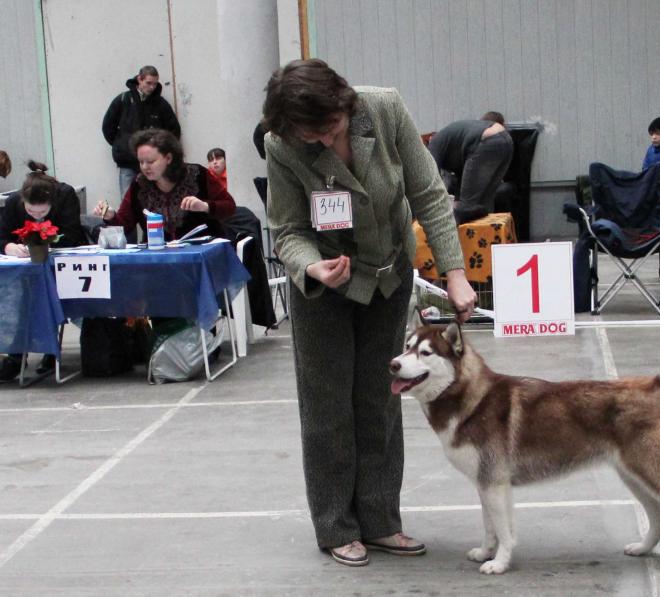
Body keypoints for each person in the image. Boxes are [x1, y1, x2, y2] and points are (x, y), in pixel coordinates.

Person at [263, 58, 476, 567]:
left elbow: (428, 195)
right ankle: (336, 525)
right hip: (323, 288)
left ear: (344, 102)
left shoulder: (384, 109)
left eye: (330, 127)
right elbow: (288, 229)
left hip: (387, 275)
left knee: (381, 399)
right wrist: (312, 267)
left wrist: (455, 272)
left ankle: (381, 521)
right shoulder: (281, 145)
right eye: (310, 134)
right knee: (327, 407)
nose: (322, 139)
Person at [0, 160, 86, 382]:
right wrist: (8, 246)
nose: (37, 216)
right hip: (26, 269)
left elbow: (72, 235)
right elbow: (2, 236)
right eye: (31, 211)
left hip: (62, 264)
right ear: (23, 202)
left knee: (46, 293)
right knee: (17, 294)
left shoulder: (65, 195)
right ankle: (16, 354)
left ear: (52, 203)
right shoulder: (13, 202)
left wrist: (45, 242)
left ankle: (50, 349)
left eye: (43, 211)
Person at [93, 129, 234, 241]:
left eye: (150, 161)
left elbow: (229, 207)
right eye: (141, 162)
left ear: (168, 158)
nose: (145, 167)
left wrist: (205, 206)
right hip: (158, 258)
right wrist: (111, 216)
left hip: (202, 254)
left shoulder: (197, 174)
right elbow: (125, 225)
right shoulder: (139, 184)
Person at [102, 65, 181, 200]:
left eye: (155, 84)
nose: (152, 87)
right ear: (139, 79)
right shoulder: (123, 100)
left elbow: (173, 130)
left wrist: (162, 150)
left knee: (155, 199)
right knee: (128, 200)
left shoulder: (160, 104)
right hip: (127, 161)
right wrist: (121, 144)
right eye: (149, 83)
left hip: (154, 162)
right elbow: (108, 126)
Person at [427, 111, 514, 225]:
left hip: (486, 140)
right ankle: (486, 233)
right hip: (506, 140)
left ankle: (453, 234)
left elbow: (430, 179)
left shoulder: (433, 145)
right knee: (485, 202)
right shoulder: (451, 143)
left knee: (466, 207)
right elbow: (462, 179)